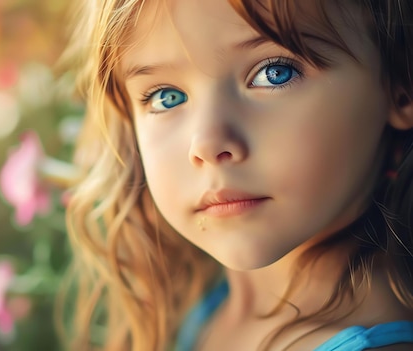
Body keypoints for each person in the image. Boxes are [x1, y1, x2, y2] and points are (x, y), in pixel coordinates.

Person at [60, 0, 413, 350]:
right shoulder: (207, 306)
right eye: (167, 97)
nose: (207, 144)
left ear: (400, 82)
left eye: (274, 73)